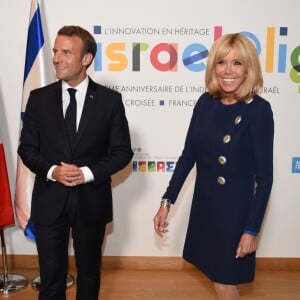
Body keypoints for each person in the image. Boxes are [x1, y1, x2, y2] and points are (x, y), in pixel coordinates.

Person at [153, 33, 274, 300]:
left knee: (224, 280)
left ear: (248, 69)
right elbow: (188, 157)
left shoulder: (259, 111)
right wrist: (167, 201)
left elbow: (265, 179)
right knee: (216, 278)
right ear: (213, 67)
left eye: (237, 63)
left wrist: (251, 230)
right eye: (221, 62)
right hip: (205, 207)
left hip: (234, 214)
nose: (228, 70)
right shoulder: (205, 103)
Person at [18, 25, 133, 300]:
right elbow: (27, 149)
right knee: (51, 278)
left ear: (86, 59)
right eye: (56, 51)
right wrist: (52, 171)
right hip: (49, 202)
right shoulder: (38, 99)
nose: (57, 58)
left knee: (89, 276)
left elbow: (122, 152)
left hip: (91, 202)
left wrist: (86, 173)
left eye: (66, 52)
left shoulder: (109, 101)